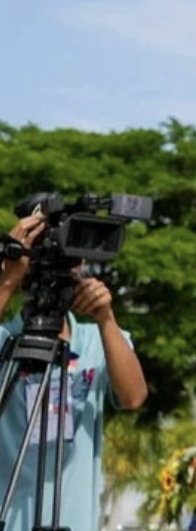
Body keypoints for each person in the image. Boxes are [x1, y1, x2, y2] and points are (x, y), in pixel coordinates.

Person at [0, 210, 151, 531]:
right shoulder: (5, 340)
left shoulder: (100, 341)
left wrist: (106, 318)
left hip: (74, 521)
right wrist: (8, 279)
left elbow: (134, 397)